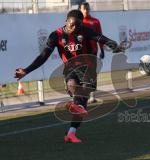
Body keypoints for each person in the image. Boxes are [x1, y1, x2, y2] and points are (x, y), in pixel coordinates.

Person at [14, 10, 122, 143]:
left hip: (88, 67)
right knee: (73, 88)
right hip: (70, 68)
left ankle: (74, 119)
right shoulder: (56, 35)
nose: (75, 28)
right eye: (72, 25)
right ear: (66, 21)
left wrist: (115, 46)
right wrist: (26, 70)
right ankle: (72, 129)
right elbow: (43, 56)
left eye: (78, 25)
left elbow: (101, 38)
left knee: (82, 97)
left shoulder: (85, 31)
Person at [79, 2, 104, 103]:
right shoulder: (78, 22)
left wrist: (101, 49)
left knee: (92, 73)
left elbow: (100, 36)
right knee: (82, 73)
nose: (86, 10)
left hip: (92, 51)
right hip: (80, 53)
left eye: (87, 9)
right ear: (80, 10)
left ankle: (92, 96)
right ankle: (82, 96)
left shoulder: (95, 21)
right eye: (84, 9)